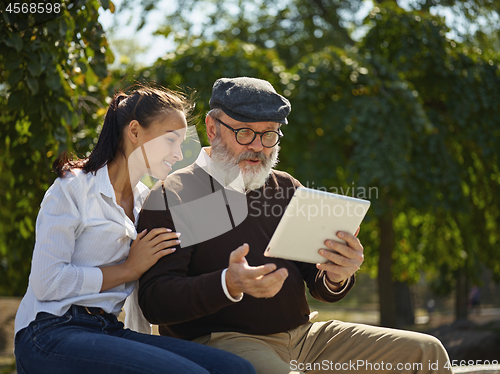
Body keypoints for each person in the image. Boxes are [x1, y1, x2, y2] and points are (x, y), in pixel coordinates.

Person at [135, 78, 452, 374]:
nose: (258, 146)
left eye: (269, 134)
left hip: (305, 338)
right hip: (225, 340)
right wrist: (228, 284)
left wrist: (336, 274)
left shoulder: (285, 187)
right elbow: (154, 301)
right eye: (244, 132)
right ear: (212, 128)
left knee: (426, 352)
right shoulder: (171, 194)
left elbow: (316, 281)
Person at [13, 85, 256, 374]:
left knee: (236, 368)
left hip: (109, 330)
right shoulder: (73, 188)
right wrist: (128, 270)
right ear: (135, 131)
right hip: (50, 330)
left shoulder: (147, 202)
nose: (178, 154)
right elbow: (48, 282)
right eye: (170, 141)